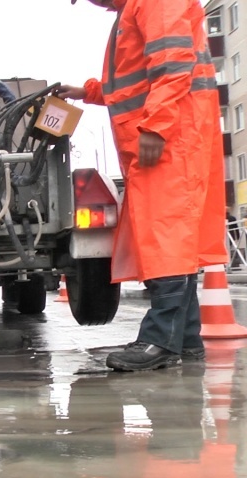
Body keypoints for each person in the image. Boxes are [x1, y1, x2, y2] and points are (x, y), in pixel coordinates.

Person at [57, 0, 226, 371]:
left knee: (166, 237)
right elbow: (132, 82)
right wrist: (85, 91)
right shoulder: (133, 8)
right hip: (165, 140)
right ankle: (185, 338)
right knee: (170, 237)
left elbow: (173, 66)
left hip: (170, 140)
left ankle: (159, 340)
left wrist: (156, 126)